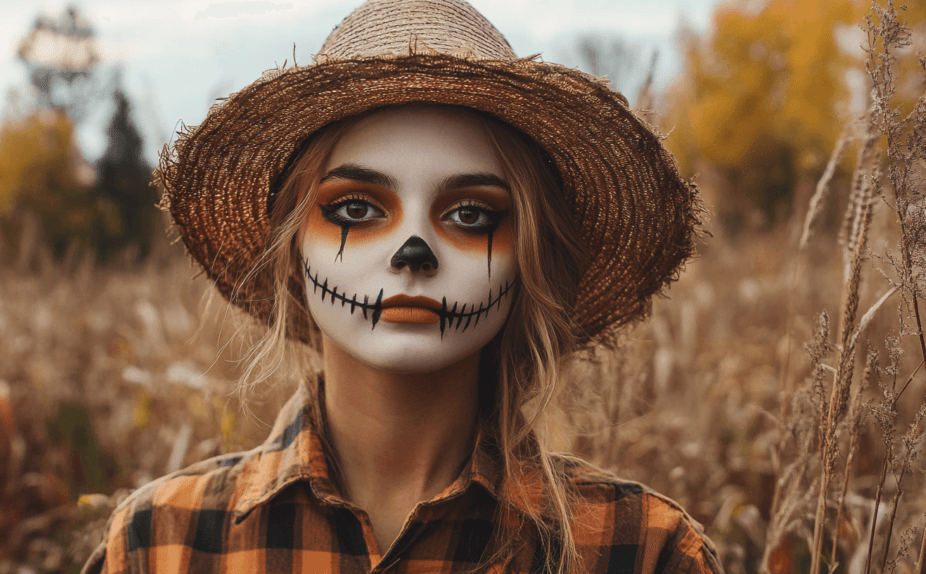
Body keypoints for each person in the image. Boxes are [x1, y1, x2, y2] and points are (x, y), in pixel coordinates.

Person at [82, 0, 724, 573]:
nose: (412, 252)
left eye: (471, 214)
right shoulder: (164, 544)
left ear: (530, 257)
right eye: (357, 210)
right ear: (291, 250)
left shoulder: (641, 551)